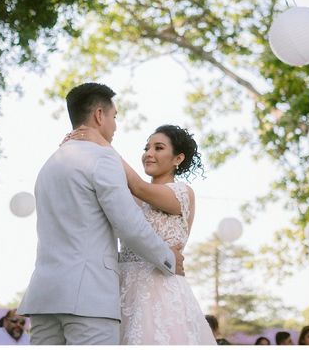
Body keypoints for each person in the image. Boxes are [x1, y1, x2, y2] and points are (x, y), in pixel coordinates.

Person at [18, 83, 184, 345]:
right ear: (99, 115)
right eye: (114, 117)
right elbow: (129, 224)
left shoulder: (49, 164)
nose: (115, 126)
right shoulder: (103, 159)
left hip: (42, 299)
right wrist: (168, 259)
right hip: (88, 299)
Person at [68, 122, 216, 344]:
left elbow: (137, 186)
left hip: (160, 295)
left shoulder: (182, 193)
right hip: (121, 292)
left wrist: (101, 143)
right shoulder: (131, 198)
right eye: (146, 148)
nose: (148, 154)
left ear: (178, 159)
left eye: (158, 148)